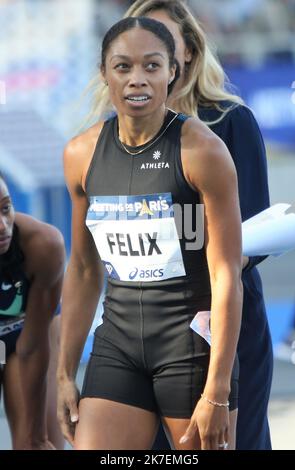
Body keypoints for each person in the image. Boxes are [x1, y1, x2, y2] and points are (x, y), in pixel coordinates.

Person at [89, 0, 272, 451]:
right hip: (134, 329)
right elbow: (90, 255)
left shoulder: (228, 123)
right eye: (127, 58)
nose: (141, 67)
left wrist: (207, 264)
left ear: (182, 55)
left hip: (220, 321)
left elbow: (256, 227)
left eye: (159, 47)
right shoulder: (106, 135)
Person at [57, 16, 243, 451]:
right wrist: (65, 373)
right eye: (123, 67)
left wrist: (217, 389)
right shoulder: (80, 154)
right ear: (104, 73)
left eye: (152, 66)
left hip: (190, 345)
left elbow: (227, 275)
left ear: (172, 72)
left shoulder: (203, 151)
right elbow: (84, 268)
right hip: (118, 344)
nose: (136, 79)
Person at [0, 173, 65, 450]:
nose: (3, 226)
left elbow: (33, 348)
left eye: (5, 208)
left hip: (27, 331)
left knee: (37, 443)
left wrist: (37, 437)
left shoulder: (43, 245)